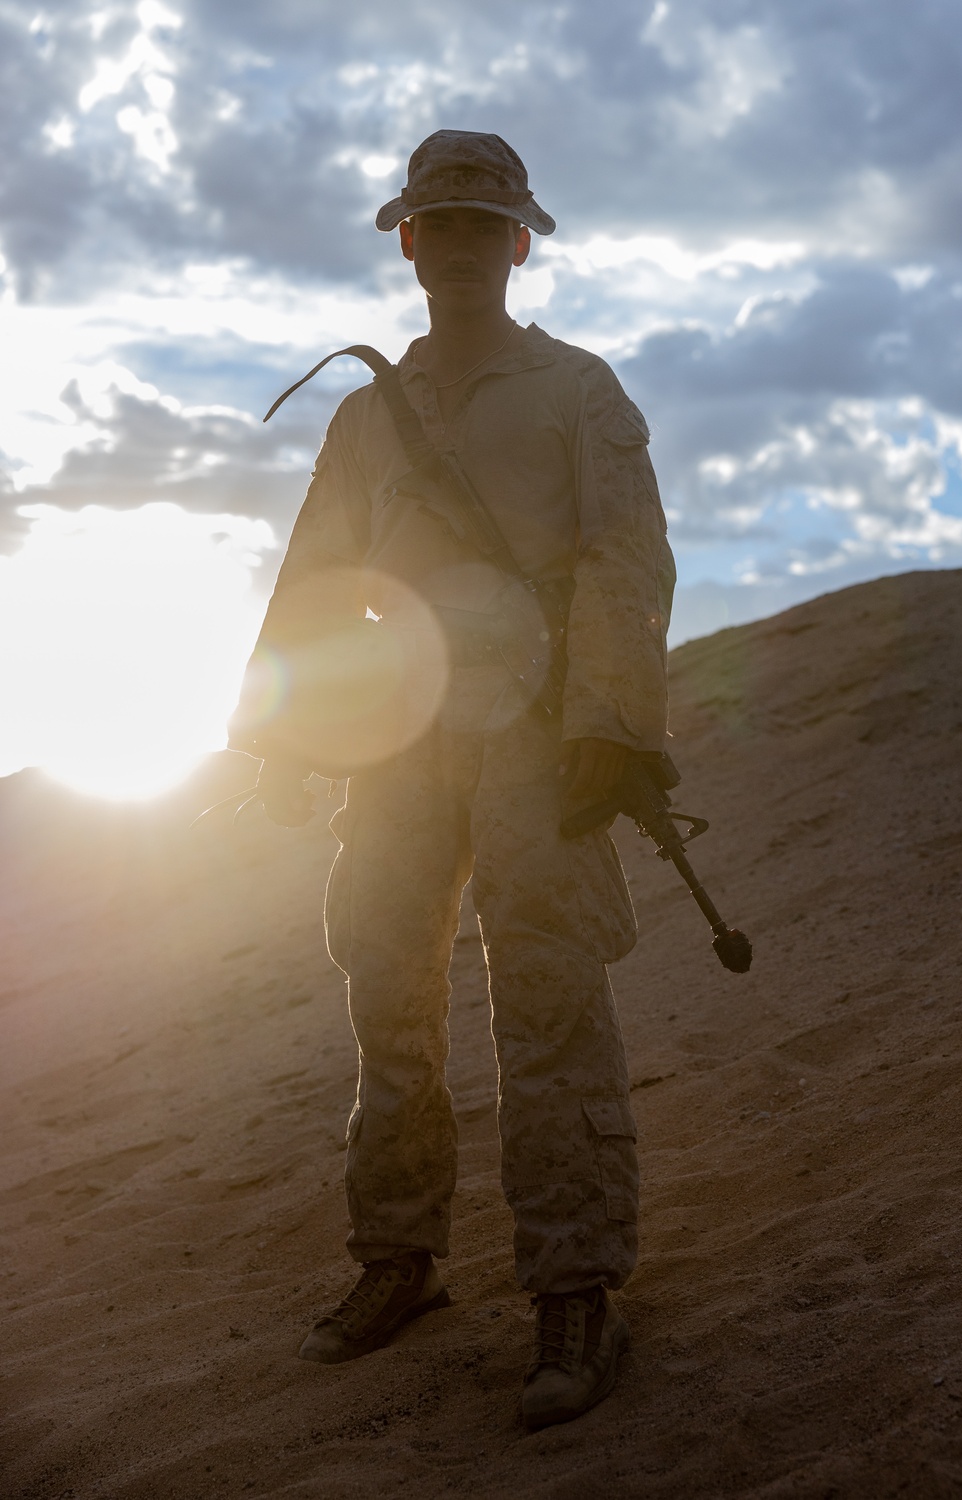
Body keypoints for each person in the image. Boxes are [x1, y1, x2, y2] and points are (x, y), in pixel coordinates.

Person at [228, 129, 675, 1431]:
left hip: (541, 733)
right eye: (445, 227)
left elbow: (625, 565)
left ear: (519, 243)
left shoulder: (581, 392)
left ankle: (576, 1288)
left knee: (545, 994)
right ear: (409, 243)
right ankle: (399, 1260)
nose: (467, 248)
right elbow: (318, 581)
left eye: (490, 227)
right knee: (388, 990)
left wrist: (611, 726)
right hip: (404, 735)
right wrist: (285, 733)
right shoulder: (370, 417)